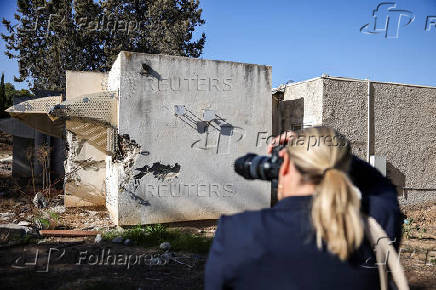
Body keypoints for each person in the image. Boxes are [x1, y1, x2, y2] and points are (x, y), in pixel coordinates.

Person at [205, 127, 402, 290]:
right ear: (344, 168)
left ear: (286, 163)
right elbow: (380, 185)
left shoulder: (237, 232)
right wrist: (324, 150)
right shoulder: (375, 228)